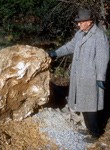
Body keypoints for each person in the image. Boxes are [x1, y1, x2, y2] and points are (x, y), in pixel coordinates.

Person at [48, 8, 109, 142]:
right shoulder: (80, 34)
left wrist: (100, 77)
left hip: (91, 77)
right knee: (84, 104)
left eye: (81, 22)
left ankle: (95, 133)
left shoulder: (99, 36)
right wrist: (56, 53)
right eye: (78, 22)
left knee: (90, 106)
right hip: (79, 76)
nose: (78, 24)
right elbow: (70, 46)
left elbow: (102, 58)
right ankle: (89, 128)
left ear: (89, 22)